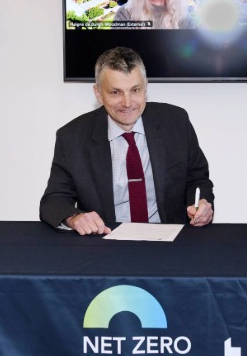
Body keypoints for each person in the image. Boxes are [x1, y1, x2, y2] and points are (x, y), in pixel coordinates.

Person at [40, 47, 214, 235]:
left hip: (169, 241)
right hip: (106, 240)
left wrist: (202, 203)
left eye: (135, 90)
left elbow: (197, 178)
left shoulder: (175, 122)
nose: (128, 102)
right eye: (116, 92)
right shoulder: (73, 137)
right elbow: (54, 200)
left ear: (145, 87)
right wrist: (74, 218)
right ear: (98, 93)